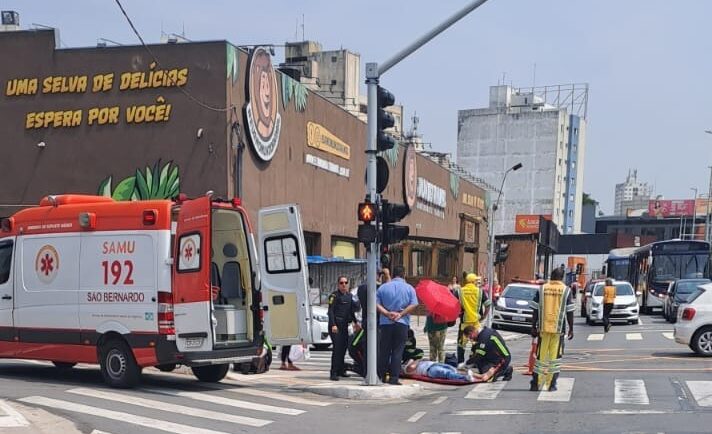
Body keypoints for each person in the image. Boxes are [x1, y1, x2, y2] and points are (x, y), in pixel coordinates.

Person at [529, 267, 575, 392]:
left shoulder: (542, 288)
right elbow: (570, 311)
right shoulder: (566, 290)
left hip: (543, 329)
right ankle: (551, 385)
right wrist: (571, 328)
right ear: (562, 277)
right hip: (558, 330)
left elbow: (535, 309)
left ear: (551, 276)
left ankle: (535, 384)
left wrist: (533, 326)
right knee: (554, 359)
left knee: (540, 358)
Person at [376, 265, 419, 385]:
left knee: (384, 350)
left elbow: (376, 303)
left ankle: (381, 375)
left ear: (393, 274)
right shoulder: (409, 288)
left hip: (385, 323)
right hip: (402, 323)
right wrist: (401, 314)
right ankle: (394, 378)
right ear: (404, 274)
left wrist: (386, 313)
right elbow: (414, 304)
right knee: (397, 351)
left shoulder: (383, 288)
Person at [328, 276, 360, 381]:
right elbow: (331, 312)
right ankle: (333, 372)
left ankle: (341, 370)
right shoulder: (334, 296)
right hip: (336, 326)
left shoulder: (350, 296)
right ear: (338, 284)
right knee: (337, 349)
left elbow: (352, 312)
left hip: (344, 326)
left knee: (343, 349)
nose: (344, 285)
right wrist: (333, 325)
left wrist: (356, 323)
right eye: (341, 283)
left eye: (346, 283)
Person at [457, 273, 491, 363]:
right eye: (476, 281)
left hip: (464, 322)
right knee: (476, 342)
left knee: (461, 344)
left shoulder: (460, 291)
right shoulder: (480, 291)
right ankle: (474, 361)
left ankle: (460, 362)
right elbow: (488, 305)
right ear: (473, 281)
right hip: (476, 322)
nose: (477, 282)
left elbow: (453, 303)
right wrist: (484, 316)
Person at [402, 358, 475, 382]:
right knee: (447, 373)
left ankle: (465, 374)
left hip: (433, 364)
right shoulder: (407, 368)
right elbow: (412, 367)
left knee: (451, 368)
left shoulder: (416, 363)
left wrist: (423, 360)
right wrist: (418, 360)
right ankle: (465, 378)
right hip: (429, 370)